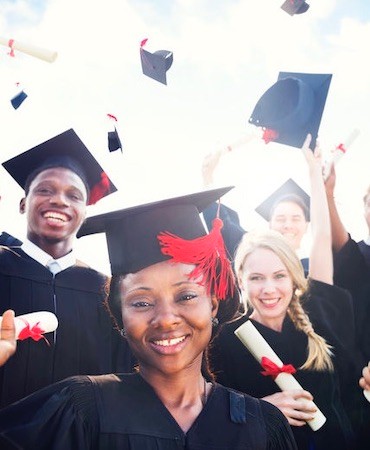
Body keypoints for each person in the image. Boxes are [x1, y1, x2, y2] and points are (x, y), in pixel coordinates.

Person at [0, 187, 298, 450]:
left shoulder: (264, 427)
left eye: (186, 296)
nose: (166, 319)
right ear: (119, 318)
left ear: (214, 304)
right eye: (141, 302)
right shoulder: (79, 409)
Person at [209, 135, 359, 449]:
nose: (268, 289)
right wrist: (261, 410)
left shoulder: (316, 316)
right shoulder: (225, 341)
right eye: (256, 278)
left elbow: (321, 240)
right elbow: (214, 419)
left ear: (294, 278)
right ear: (242, 280)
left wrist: (315, 175)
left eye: (279, 276)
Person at [0, 128, 134, 408]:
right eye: (45, 190)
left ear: (84, 213)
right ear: (23, 203)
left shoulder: (107, 291)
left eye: (74, 196)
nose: (59, 200)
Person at [201, 148, 310, 275]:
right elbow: (224, 226)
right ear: (270, 224)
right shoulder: (251, 252)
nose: (287, 225)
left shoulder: (317, 267)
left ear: (306, 226)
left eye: (295, 219)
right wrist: (208, 179)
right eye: (280, 219)